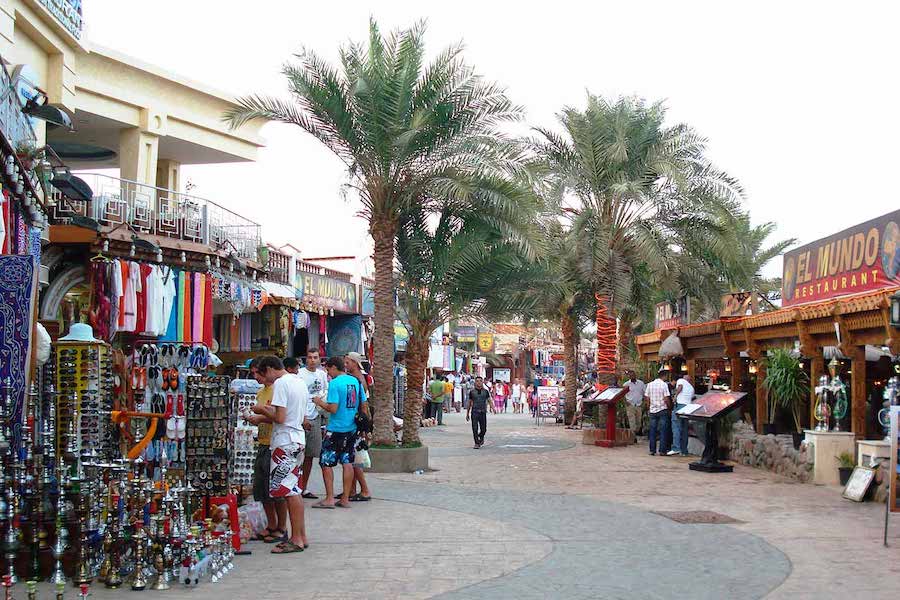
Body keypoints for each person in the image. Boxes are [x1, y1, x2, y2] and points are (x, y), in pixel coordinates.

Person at [247, 355, 309, 554]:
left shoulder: (282, 383)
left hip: (285, 441)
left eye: (264, 374)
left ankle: (297, 538)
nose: (265, 379)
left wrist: (261, 410)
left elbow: (280, 417)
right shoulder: (299, 382)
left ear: (270, 369)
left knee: (288, 492)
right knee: (294, 490)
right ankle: (300, 535)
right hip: (296, 438)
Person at [312, 356, 370, 509]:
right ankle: (345, 498)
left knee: (326, 463)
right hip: (351, 429)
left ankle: (329, 498)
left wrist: (319, 402)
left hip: (336, 429)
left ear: (333, 368)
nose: (328, 373)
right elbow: (363, 405)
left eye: (328, 370)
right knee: (347, 462)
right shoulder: (355, 382)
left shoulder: (335, 384)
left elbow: (333, 408)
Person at [247, 358, 287, 544]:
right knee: (262, 489)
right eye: (253, 373)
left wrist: (260, 415)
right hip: (263, 442)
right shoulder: (261, 392)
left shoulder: (278, 390)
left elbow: (280, 417)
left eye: (258, 372)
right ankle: (272, 525)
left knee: (275, 489)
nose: (256, 377)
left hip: (275, 443)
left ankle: (281, 527)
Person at [288, 351, 328, 498]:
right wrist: (303, 417)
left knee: (310, 455)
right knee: (295, 454)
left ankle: (303, 487)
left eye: (315, 357)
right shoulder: (300, 375)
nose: (312, 360)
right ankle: (292, 486)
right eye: (310, 357)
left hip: (315, 418)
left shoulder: (322, 375)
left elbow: (324, 392)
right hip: (300, 419)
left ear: (319, 359)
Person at [344, 352, 373, 502]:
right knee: (353, 458)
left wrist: (363, 427)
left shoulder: (358, 380)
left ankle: (365, 490)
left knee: (355, 460)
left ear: (355, 363)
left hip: (356, 423)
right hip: (356, 422)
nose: (345, 365)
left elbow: (363, 404)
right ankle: (351, 490)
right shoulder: (356, 378)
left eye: (348, 362)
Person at [644, 370, 672, 456]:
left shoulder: (650, 384)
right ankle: (662, 450)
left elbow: (647, 397)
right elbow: (666, 398)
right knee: (663, 430)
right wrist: (669, 408)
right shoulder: (664, 385)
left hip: (653, 410)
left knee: (653, 430)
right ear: (664, 376)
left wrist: (648, 407)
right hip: (662, 409)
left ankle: (652, 450)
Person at [669, 374, 695, 456]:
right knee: (684, 429)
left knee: (676, 426)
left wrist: (675, 396)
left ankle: (676, 448)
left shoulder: (681, 380)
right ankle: (684, 450)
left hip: (680, 405)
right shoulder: (691, 388)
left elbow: (680, 387)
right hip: (688, 408)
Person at [466, 376, 494, 448]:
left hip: (483, 412)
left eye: (480, 381)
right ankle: (476, 443)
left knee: (484, 429)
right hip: (474, 412)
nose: (479, 382)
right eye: (477, 381)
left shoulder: (485, 392)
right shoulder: (472, 392)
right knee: (474, 428)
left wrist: (493, 408)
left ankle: (481, 436)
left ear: (482, 382)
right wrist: (467, 413)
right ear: (475, 382)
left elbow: (489, 400)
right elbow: (469, 402)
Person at [623, 371, 647, 438]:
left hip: (639, 405)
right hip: (630, 405)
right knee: (632, 421)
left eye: (633, 375)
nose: (632, 376)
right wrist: (626, 402)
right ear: (628, 376)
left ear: (635, 375)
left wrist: (644, 403)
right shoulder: (626, 384)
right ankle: (633, 437)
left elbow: (645, 393)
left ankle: (635, 434)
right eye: (630, 375)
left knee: (638, 422)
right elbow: (622, 394)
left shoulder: (641, 383)